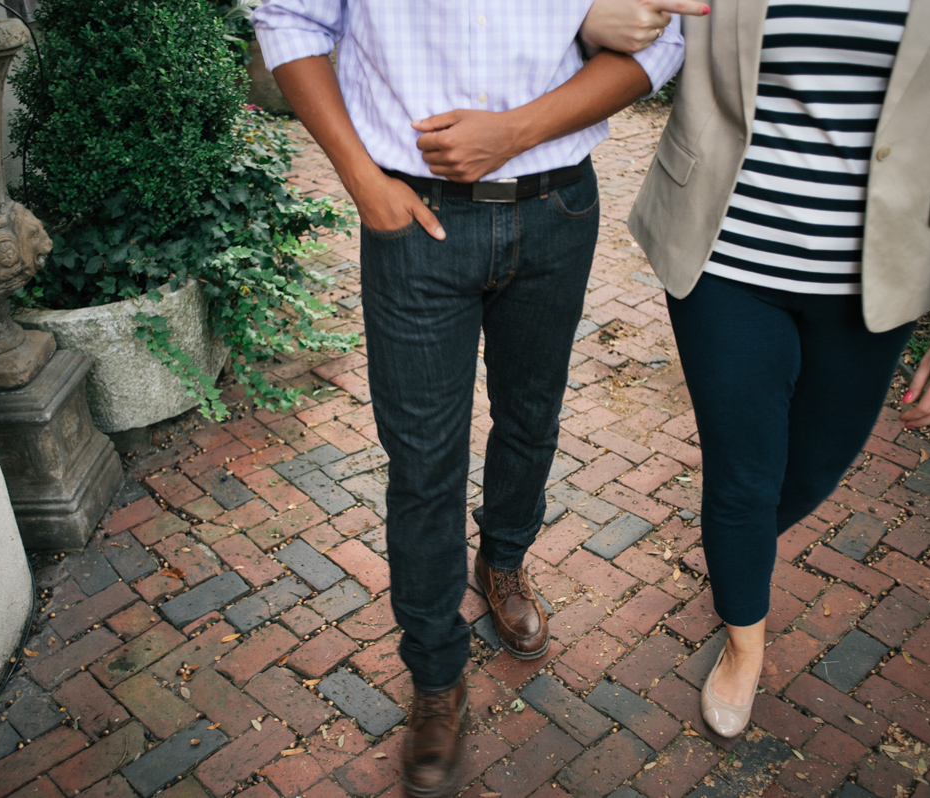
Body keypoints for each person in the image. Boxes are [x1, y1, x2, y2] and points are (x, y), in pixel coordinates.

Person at [251, 1, 703, 794]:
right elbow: (291, 20)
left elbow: (661, 37)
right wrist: (362, 179)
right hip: (411, 215)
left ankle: (503, 560)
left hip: (557, 206)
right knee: (423, 460)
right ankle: (434, 675)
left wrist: (519, 129)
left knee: (531, 416)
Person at [626, 0, 930, 737]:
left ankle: (736, 546)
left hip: (876, 280)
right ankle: (744, 640)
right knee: (744, 473)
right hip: (727, 257)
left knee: (809, 472)